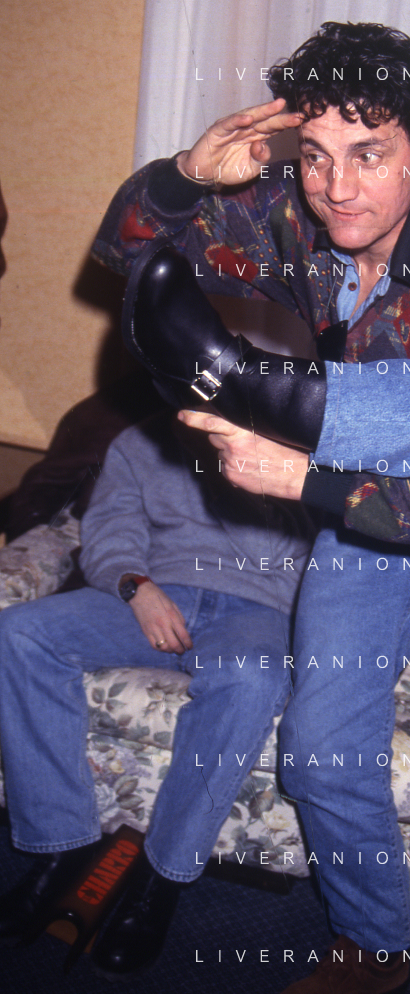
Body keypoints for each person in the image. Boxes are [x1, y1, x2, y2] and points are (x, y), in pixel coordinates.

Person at [93, 21, 410, 992]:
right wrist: (181, 176)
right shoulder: (296, 212)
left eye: (369, 155)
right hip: (367, 503)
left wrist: (302, 476)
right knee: (323, 750)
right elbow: (125, 256)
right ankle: (376, 952)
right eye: (316, 155)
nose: (336, 187)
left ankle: (268, 392)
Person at [0, 412, 314, 978]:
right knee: (19, 634)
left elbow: (301, 555)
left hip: (258, 609)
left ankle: (162, 873)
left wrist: (243, 460)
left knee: (251, 678)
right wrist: (136, 587)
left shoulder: (299, 442)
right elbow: (110, 530)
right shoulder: (138, 442)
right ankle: (61, 843)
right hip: (158, 594)